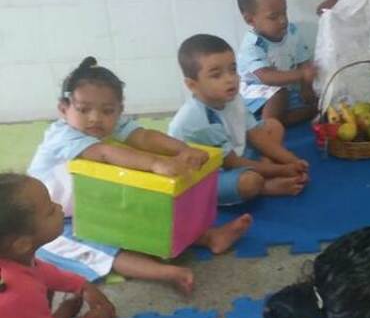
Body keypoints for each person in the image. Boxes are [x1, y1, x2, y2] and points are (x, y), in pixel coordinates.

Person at [27, 57, 251, 294]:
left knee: (147, 215)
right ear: (64, 110)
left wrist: (183, 149)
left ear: (119, 111)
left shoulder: (111, 123)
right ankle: (166, 273)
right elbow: (103, 152)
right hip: (48, 220)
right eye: (84, 110)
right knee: (99, 251)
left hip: (93, 204)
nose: (95, 118)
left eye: (107, 111)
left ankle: (208, 237)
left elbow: (144, 137)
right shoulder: (62, 135)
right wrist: (155, 163)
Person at [0, 174, 116, 318]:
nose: (60, 207)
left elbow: (39, 271)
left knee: (44, 291)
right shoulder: (14, 294)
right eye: (50, 210)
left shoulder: (12, 258)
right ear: (22, 244)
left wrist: (82, 285)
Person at [169, 35, 309, 205]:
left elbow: (255, 134)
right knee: (249, 182)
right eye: (216, 75)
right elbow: (232, 163)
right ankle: (265, 185)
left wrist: (291, 160)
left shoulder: (233, 98)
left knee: (273, 126)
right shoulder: (199, 119)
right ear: (193, 85)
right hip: (205, 175)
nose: (230, 79)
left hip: (232, 153)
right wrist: (282, 170)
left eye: (233, 70)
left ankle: (264, 168)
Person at [236, 0, 317, 127]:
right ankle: (266, 129)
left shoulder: (292, 32)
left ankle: (287, 118)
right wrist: (301, 74)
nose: (283, 21)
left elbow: (303, 62)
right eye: (273, 17)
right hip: (254, 93)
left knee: (311, 99)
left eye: (284, 12)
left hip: (284, 90)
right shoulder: (253, 45)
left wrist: (307, 89)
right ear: (250, 20)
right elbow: (267, 77)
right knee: (280, 95)